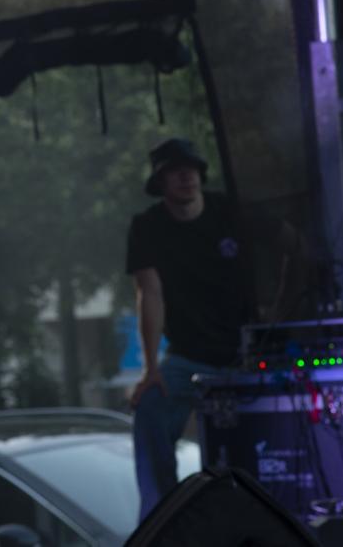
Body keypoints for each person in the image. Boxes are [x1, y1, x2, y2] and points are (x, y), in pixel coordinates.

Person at [126, 138, 261, 520]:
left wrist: (280, 310)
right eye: (175, 171)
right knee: (150, 407)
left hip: (246, 356)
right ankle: (163, 520)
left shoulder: (230, 212)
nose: (186, 176)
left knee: (262, 433)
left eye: (192, 169)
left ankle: (261, 512)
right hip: (187, 358)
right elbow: (149, 293)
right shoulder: (147, 227)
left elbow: (293, 246)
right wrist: (151, 369)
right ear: (160, 182)